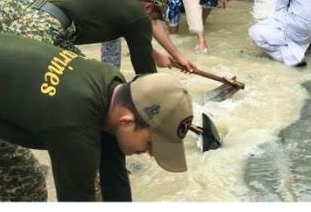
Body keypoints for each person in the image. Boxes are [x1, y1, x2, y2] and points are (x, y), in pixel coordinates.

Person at [0, 32, 194, 201]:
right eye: (151, 144)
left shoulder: (112, 85)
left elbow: (114, 177)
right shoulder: (75, 127)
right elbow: (75, 201)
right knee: (26, 187)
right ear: (126, 122)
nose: (151, 154)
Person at [40, 0, 196, 72]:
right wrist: (154, 56)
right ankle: (110, 73)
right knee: (113, 32)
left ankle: (109, 74)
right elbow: (133, 30)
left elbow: (152, 21)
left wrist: (178, 56)